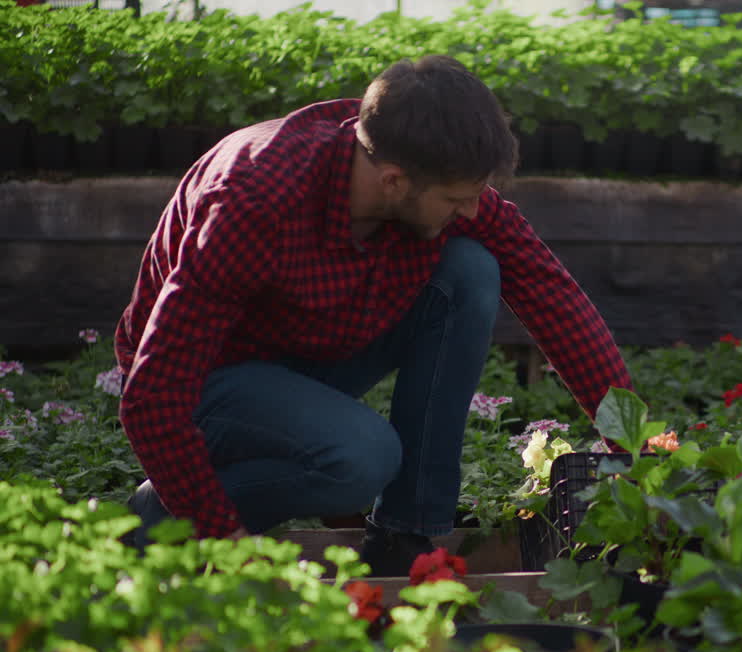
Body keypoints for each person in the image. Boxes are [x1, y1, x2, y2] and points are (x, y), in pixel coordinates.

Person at [117, 55, 634, 576]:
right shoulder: (254, 202)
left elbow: (553, 296)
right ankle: (154, 519)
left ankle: (407, 540)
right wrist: (221, 539)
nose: (474, 210)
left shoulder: (415, 169)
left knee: (470, 268)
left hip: (304, 355)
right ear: (393, 181)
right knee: (362, 456)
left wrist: (639, 441)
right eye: (459, 198)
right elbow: (153, 397)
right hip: (208, 382)